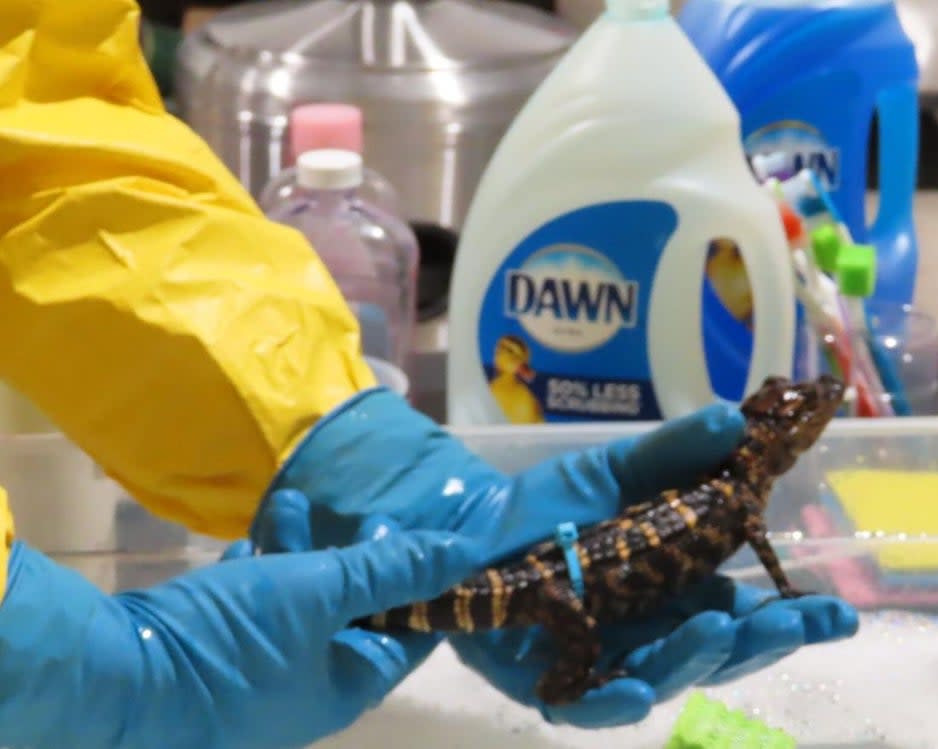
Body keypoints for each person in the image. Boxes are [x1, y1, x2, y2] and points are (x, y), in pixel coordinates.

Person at [0, 2, 859, 748]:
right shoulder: (736, 499)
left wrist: (329, 427)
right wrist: (55, 660)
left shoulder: (732, 491)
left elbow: (44, 133)